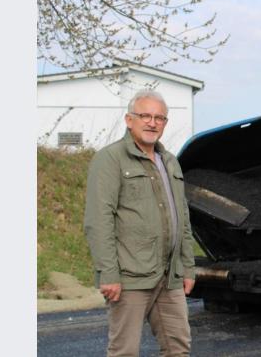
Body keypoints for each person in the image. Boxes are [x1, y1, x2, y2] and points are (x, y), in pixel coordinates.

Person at [84, 89, 196, 357]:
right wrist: (108, 273)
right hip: (130, 277)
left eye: (159, 117)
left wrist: (188, 267)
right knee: (125, 351)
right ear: (129, 119)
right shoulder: (110, 159)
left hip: (170, 277)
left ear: (165, 123)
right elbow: (98, 221)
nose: (152, 122)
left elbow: (182, 218)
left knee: (178, 348)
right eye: (144, 115)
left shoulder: (169, 162)